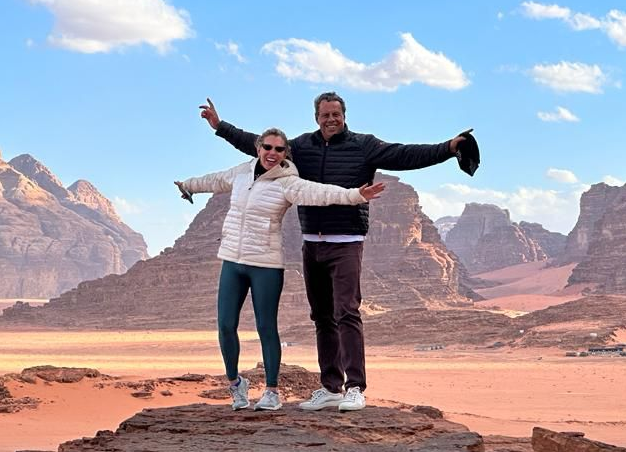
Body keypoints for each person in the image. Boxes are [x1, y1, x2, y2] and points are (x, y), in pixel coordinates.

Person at [200, 93, 467, 412]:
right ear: (316, 117)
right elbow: (259, 147)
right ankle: (331, 387)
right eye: (325, 114)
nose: (331, 119)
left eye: (336, 114)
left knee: (347, 312)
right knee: (322, 316)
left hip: (347, 242)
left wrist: (450, 147)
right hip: (312, 242)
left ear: (344, 115)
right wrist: (220, 126)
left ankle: (355, 387)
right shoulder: (299, 147)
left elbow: (406, 155)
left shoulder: (364, 145)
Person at [175, 127, 385, 411]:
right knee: (225, 325)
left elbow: (319, 193)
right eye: (267, 147)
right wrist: (188, 185)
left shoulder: (289, 181)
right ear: (258, 148)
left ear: (286, 153)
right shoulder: (241, 172)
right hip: (233, 261)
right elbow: (213, 180)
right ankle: (237, 385)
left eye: (279, 149)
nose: (272, 153)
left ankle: (272, 391)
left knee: (265, 328)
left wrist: (355, 195)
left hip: (266, 264)